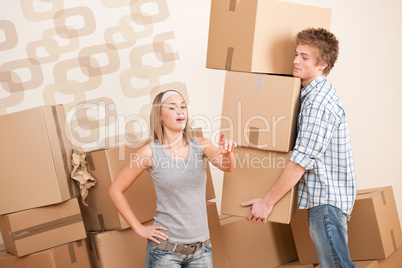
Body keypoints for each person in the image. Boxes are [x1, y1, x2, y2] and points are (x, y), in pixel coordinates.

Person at [241, 28, 357, 268]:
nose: (295, 61)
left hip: (327, 202)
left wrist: (267, 202)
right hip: (327, 201)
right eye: (296, 54)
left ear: (322, 64)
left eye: (304, 57)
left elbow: (300, 161)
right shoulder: (308, 94)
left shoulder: (318, 103)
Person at [108, 90, 236, 268]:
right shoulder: (150, 152)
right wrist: (138, 227)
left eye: (183, 106)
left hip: (201, 251)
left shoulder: (201, 144)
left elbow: (226, 166)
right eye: (173, 107)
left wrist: (229, 153)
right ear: (159, 115)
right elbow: (115, 190)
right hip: (165, 253)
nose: (180, 111)